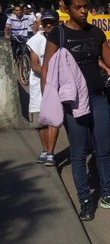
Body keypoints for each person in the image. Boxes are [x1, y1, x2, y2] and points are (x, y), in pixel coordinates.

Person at [41, 0, 110, 221]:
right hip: (72, 103)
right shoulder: (58, 34)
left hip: (97, 98)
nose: (84, 11)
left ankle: (108, 196)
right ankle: (85, 200)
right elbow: (47, 68)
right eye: (78, 7)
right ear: (65, 8)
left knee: (103, 150)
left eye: (85, 6)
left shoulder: (96, 33)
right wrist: (50, 98)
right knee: (78, 154)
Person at [28, 10, 60, 166]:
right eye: (46, 22)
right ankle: (46, 150)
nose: (49, 25)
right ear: (42, 24)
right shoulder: (35, 40)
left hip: (55, 85)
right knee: (40, 120)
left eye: (52, 22)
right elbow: (35, 65)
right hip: (38, 85)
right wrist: (50, 74)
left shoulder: (62, 39)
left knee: (53, 118)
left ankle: (51, 152)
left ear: (57, 23)